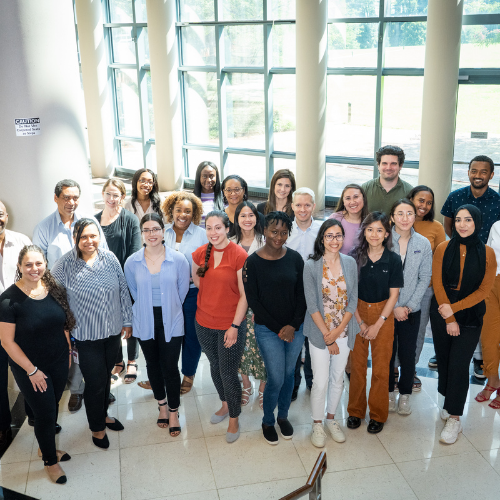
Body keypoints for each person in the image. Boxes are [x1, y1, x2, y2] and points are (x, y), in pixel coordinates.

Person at [51, 219, 132, 449]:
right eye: (83, 237)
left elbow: (123, 290)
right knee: (95, 383)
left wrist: (126, 320)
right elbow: (54, 296)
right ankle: (97, 428)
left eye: (93, 236)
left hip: (112, 332)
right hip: (86, 336)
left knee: (107, 376)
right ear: (75, 237)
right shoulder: (65, 264)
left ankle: (103, 414)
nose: (89, 241)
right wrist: (64, 324)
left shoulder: (110, 258)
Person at [0, 245, 75, 484]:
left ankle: (45, 448)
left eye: (39, 263)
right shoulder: (8, 300)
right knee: (44, 413)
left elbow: (63, 323)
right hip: (30, 368)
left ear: (45, 263)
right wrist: (32, 371)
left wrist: (69, 350)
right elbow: (6, 342)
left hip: (59, 360)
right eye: (28, 264)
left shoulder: (53, 289)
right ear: (20, 267)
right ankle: (50, 462)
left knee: (52, 406)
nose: (34, 269)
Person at [33, 179, 108, 413]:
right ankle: (76, 390)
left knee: (95, 342)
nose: (71, 202)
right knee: (72, 344)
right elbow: (39, 267)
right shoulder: (44, 228)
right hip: (61, 299)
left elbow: (103, 254)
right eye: (66, 197)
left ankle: (101, 386)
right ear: (55, 198)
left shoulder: (90, 222)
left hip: (92, 296)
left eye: (75, 197)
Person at [430, 205, 496, 444]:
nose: (462, 224)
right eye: (458, 220)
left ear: (477, 222)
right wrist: (448, 317)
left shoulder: (488, 253)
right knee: (445, 360)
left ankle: (455, 418)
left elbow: (483, 290)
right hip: (441, 309)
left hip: (469, 315)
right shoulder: (443, 248)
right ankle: (448, 401)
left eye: (468, 220)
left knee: (459, 364)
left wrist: (455, 312)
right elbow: (437, 283)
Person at [243, 212, 307, 445]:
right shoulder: (252, 263)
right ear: (264, 231)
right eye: (273, 231)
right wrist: (281, 328)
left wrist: (293, 325)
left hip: (295, 328)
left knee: (290, 374)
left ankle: (283, 416)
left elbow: (302, 295)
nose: (278, 237)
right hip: (268, 330)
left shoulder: (295, 258)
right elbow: (254, 302)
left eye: (283, 232)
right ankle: (268, 420)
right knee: (276, 377)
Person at [125, 214, 190, 436]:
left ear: (164, 232)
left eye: (155, 229)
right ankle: (161, 405)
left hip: (171, 318)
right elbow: (134, 292)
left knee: (170, 367)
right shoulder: (132, 262)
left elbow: (181, 292)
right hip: (145, 318)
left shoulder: (178, 259)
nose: (151, 234)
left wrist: (168, 307)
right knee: (152, 364)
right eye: (147, 230)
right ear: (142, 234)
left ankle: (173, 411)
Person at [440, 155, 500, 379]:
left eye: (483, 172)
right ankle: (447, 349)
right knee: (455, 300)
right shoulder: (455, 196)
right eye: (474, 171)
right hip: (457, 257)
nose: (478, 175)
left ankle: (478, 357)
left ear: (491, 175)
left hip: (484, 263)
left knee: (477, 308)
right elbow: (448, 222)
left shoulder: (498, 201)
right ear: (468, 172)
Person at [192, 211, 248, 443]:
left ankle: (234, 418)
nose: (213, 233)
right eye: (209, 228)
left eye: (218, 228)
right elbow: (197, 281)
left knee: (227, 371)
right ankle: (225, 405)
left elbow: (245, 296)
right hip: (203, 322)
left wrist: (235, 325)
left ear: (227, 229)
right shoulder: (199, 253)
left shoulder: (239, 255)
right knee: (215, 366)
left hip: (230, 325)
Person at [303, 220, 359, 448]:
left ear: (343, 238)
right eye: (329, 236)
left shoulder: (350, 263)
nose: (334, 240)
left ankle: (331, 419)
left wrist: (337, 333)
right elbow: (312, 304)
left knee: (337, 378)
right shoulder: (312, 265)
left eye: (338, 235)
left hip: (343, 331)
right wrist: (328, 335)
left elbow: (353, 299)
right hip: (319, 333)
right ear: (322, 239)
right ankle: (317, 423)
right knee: (320, 381)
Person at [347, 212, 403, 434]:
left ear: (387, 233)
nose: (374, 234)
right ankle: (355, 412)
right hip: (357, 313)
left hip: (383, 315)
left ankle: (378, 415)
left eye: (379, 230)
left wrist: (379, 323)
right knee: (357, 367)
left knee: (381, 369)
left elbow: (394, 296)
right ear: (364, 232)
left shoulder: (394, 259)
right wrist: (360, 323)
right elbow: (350, 295)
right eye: (370, 229)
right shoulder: (354, 257)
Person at [388, 199, 432, 416]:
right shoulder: (384, 239)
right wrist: (394, 306)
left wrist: (409, 306)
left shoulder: (423, 243)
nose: (405, 218)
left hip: (411, 311)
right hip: (387, 309)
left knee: (408, 352)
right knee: (387, 352)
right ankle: (387, 391)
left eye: (409, 214)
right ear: (392, 217)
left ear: (415, 217)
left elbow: (425, 278)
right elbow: (380, 277)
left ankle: (404, 394)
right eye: (400, 213)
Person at [95, 179, 141, 384]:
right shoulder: (94, 220)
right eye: (108, 194)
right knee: (111, 322)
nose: (112, 199)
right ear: (102, 194)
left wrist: (123, 280)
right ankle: (118, 361)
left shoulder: (129, 219)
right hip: (102, 282)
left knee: (130, 320)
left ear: (122, 197)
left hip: (127, 278)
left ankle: (132, 360)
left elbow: (135, 251)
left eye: (116, 195)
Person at [162, 191, 207, 395]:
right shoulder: (162, 232)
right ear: (171, 210)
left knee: (191, 335)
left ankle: (188, 374)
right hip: (166, 293)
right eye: (178, 210)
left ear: (194, 213)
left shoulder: (202, 235)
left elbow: (209, 264)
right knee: (168, 335)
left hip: (192, 293)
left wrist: (196, 274)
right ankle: (166, 374)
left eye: (188, 211)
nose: (183, 214)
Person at [0, 201, 31, 447]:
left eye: (0, 214)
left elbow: (35, 274)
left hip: (20, 318)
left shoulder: (21, 241)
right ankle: (2, 426)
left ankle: (36, 416)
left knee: (27, 368)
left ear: (7, 215)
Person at [229, 201, 266, 408]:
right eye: (243, 216)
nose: (247, 219)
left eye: (251, 215)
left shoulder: (266, 241)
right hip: (236, 302)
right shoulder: (229, 241)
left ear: (256, 217)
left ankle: (262, 387)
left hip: (261, 303)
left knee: (261, 346)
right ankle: (246, 386)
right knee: (240, 346)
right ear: (237, 219)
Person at [286, 188, 322, 400]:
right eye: (298, 205)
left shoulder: (321, 230)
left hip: (315, 291)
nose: (302, 209)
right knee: (293, 340)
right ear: (292, 206)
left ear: (313, 206)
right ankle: (292, 384)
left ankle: (311, 379)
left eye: (307, 205)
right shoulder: (285, 230)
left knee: (312, 339)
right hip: (290, 293)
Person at [408, 186, 446, 375]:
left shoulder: (436, 227)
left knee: (418, 332)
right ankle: (395, 369)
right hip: (398, 289)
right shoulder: (399, 221)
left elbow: (440, 261)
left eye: (429, 202)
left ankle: (410, 370)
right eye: (420, 200)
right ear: (411, 199)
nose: (424, 205)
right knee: (395, 331)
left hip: (424, 289)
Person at [476, 220, 500, 408]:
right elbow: (490, 257)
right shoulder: (497, 226)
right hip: (493, 283)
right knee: (488, 337)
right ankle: (493, 380)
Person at [361, 145, 413, 215]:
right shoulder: (365, 189)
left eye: (393, 164)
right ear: (378, 165)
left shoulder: (410, 192)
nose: (388, 168)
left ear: (400, 166)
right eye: (384, 163)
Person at [328, 184, 369, 255]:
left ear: (363, 198)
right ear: (343, 202)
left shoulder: (371, 222)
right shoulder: (335, 218)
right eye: (348, 198)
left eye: (356, 197)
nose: (352, 202)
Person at [193, 161, 224, 228]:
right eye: (204, 176)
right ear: (199, 177)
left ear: (217, 177)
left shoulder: (224, 196)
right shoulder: (191, 198)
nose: (208, 180)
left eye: (212, 176)